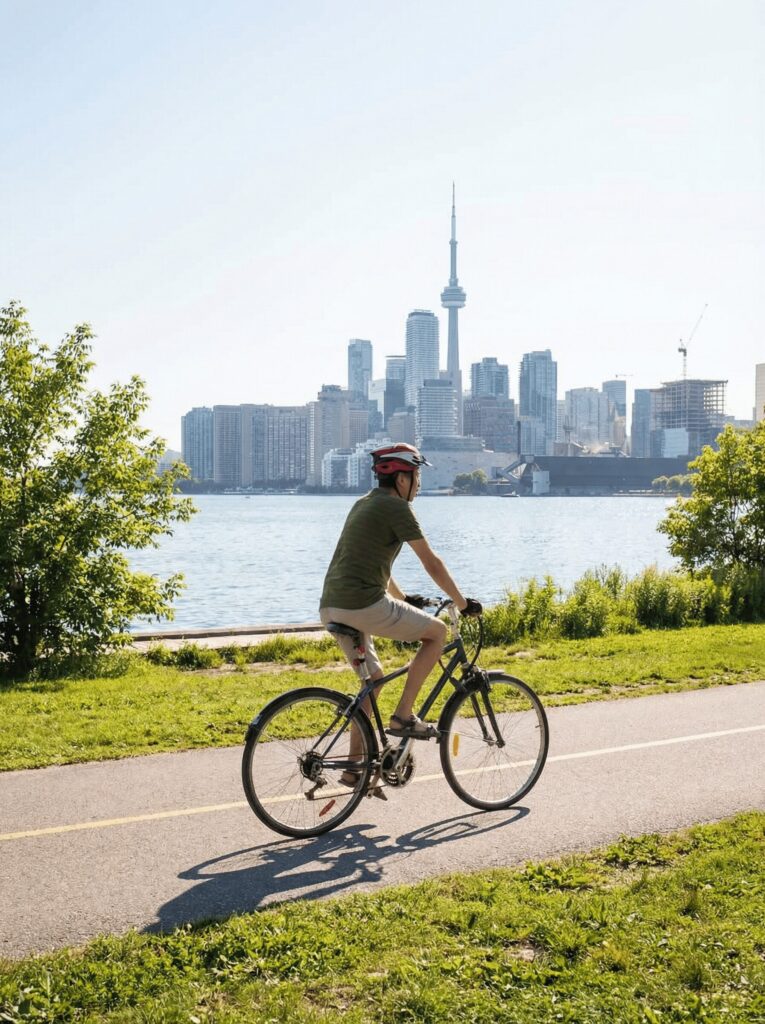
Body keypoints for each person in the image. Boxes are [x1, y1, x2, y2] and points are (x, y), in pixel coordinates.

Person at [319, 442, 482, 753]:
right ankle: (403, 716)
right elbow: (432, 563)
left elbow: (372, 564)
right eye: (416, 475)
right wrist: (462, 603)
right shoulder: (397, 507)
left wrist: (404, 597)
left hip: (332, 605)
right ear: (401, 479)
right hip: (362, 604)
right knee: (437, 634)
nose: (419, 483)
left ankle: (355, 771)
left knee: (373, 683)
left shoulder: (363, 504)